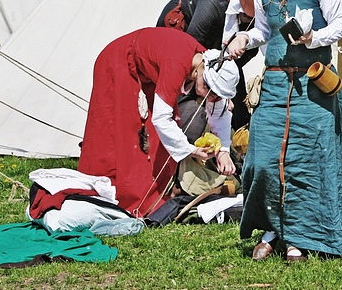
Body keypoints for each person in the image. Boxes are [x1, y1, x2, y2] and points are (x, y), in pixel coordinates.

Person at [227, 0, 342, 262]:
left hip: (312, 85)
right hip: (274, 86)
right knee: (263, 162)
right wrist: (246, 38)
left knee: (308, 164)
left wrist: (313, 38)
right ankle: (273, 229)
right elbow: (262, 30)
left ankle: (297, 240)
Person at [77, 27, 240, 218]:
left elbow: (218, 112)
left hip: (147, 74)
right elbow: (162, 118)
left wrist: (223, 152)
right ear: (201, 74)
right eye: (211, 93)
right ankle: (112, 192)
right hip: (118, 62)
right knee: (123, 133)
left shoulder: (206, 64)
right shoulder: (177, 65)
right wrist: (191, 150)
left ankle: (152, 197)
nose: (212, 99)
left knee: (158, 140)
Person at [157, 0, 266, 135]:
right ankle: (183, 135)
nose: (247, 22)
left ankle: (240, 136)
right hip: (186, 34)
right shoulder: (211, 4)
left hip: (214, 41)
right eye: (244, 16)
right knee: (187, 94)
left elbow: (235, 63)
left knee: (231, 89)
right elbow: (189, 57)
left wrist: (225, 85)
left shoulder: (255, 17)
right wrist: (212, 86)